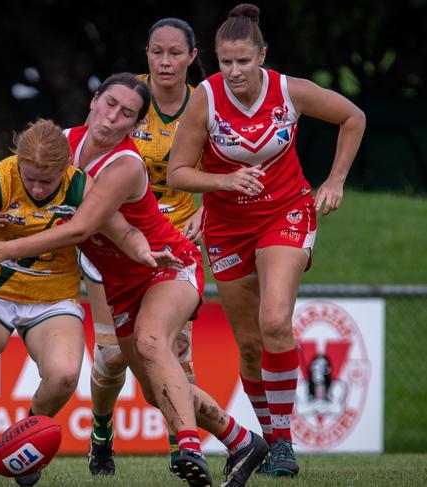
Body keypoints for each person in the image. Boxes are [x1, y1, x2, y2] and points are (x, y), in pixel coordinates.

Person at [0, 73, 269, 487]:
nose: (112, 117)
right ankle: (242, 440)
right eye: (109, 104)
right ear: (93, 101)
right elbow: (9, 174)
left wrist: (2, 250)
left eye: (126, 113)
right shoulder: (63, 144)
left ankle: (188, 448)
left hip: (165, 263)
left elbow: (79, 229)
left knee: (151, 341)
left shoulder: (125, 164)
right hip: (120, 282)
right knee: (155, 390)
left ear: (136, 126)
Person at [0, 119, 177, 487]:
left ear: (65, 167)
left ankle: (24, 438)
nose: (36, 186)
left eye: (46, 180)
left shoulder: (81, 185)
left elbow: (122, 230)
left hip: (53, 297)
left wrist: (144, 250)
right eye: (30, 176)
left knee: (65, 376)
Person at [167, 3, 366, 478]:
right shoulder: (207, 99)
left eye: (243, 61)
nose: (234, 71)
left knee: (275, 319)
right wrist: (223, 183)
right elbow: (178, 173)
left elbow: (352, 117)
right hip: (226, 226)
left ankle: (284, 444)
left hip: (286, 212)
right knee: (252, 346)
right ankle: (269, 437)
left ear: (262, 56)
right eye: (225, 62)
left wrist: (335, 180)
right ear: (215, 60)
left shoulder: (287, 90)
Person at [83, 17, 207, 476]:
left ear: (192, 57)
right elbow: (90, 144)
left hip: (172, 246)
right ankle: (101, 431)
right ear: (147, 54)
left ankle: (184, 450)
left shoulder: (206, 102)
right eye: (157, 52)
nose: (165, 61)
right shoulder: (128, 96)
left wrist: (207, 209)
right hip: (114, 237)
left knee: (176, 355)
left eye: (176, 53)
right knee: (111, 357)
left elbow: (233, 160)